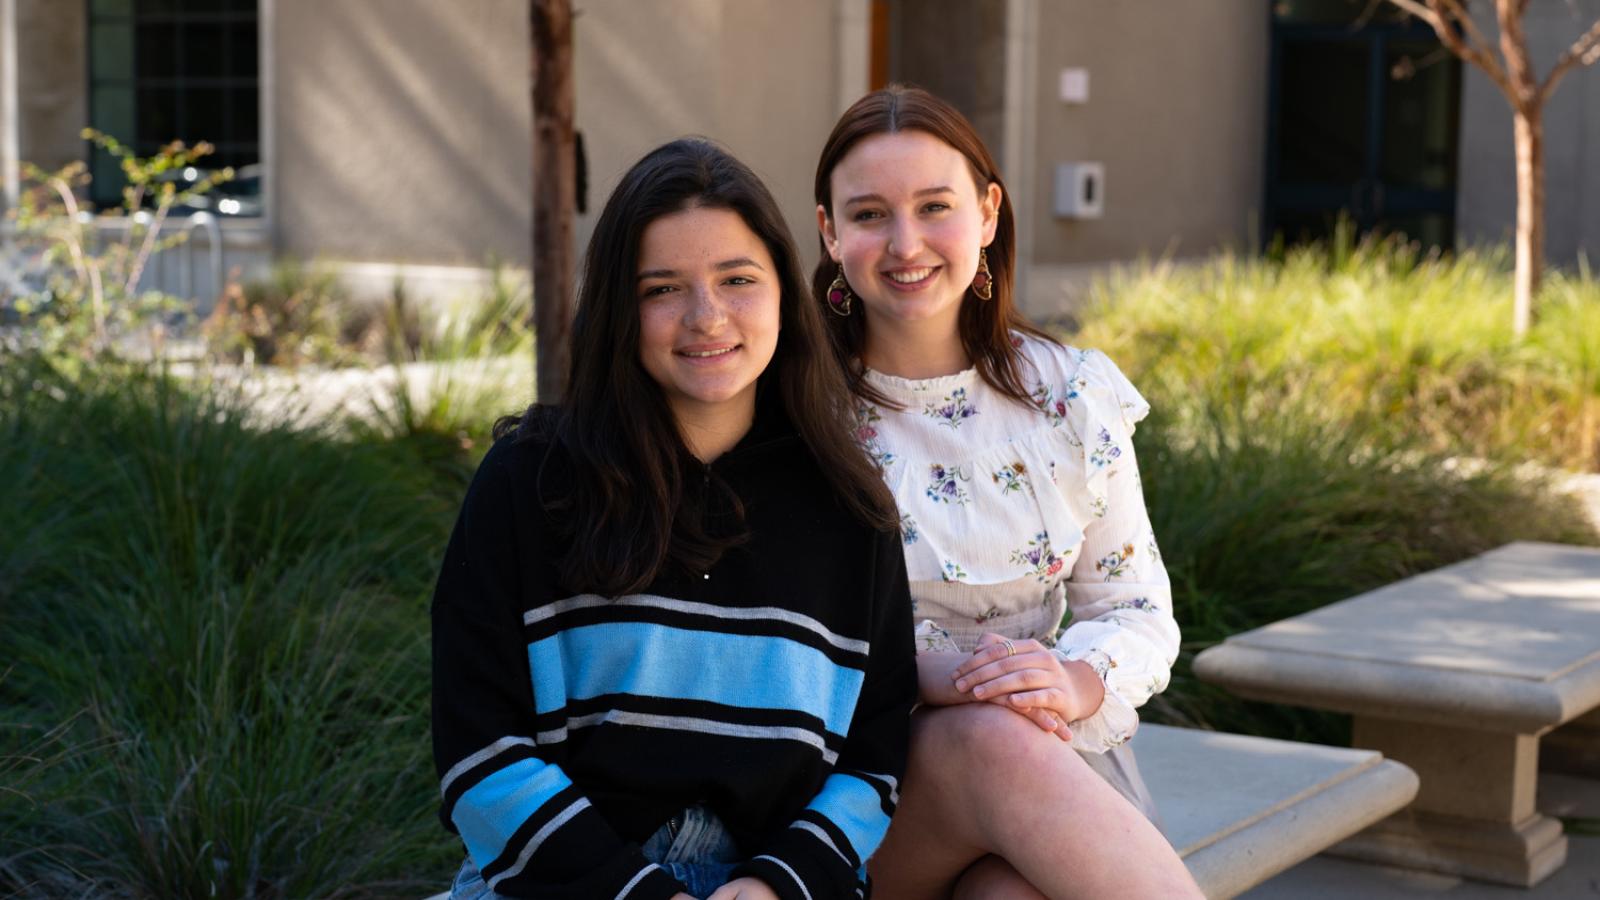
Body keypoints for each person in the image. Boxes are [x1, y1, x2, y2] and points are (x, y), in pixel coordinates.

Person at [432, 138, 917, 900]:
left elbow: (874, 755)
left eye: (738, 279)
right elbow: (480, 750)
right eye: (662, 289)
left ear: (784, 294)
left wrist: (773, 888)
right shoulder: (530, 483)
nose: (706, 317)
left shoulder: (850, 509)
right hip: (558, 882)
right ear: (620, 310)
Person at [812, 86, 1204, 899]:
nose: (905, 242)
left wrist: (1073, 681)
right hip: (859, 792)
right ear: (829, 232)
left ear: (988, 213)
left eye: (934, 206)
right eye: (870, 214)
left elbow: (1135, 607)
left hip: (1046, 767)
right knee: (992, 740)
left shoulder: (1070, 396)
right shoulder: (798, 414)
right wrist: (942, 680)